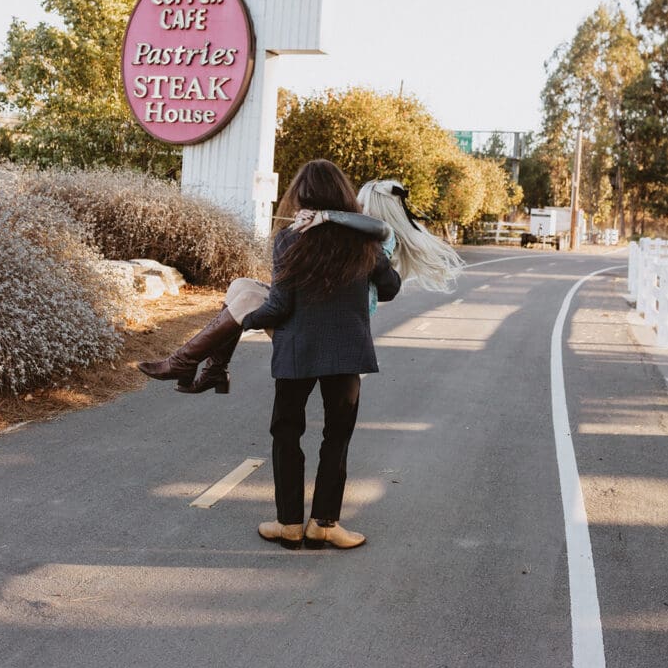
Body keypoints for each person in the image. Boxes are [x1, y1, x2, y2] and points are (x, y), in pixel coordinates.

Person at [137, 178, 462, 393]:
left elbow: (370, 227)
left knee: (249, 296)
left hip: (328, 330)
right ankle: (212, 370)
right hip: (314, 312)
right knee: (240, 286)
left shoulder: (379, 235)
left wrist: (327, 216)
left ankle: (184, 363)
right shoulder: (353, 234)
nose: (356, 208)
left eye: (360, 203)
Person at [240, 158, 400, 549]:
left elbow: (278, 307)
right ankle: (324, 524)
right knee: (337, 437)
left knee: (287, 434)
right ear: (342, 196)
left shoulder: (288, 239)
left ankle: (290, 524)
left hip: (296, 351)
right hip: (347, 351)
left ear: (301, 196)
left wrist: (244, 318)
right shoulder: (363, 239)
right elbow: (391, 287)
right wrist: (377, 256)